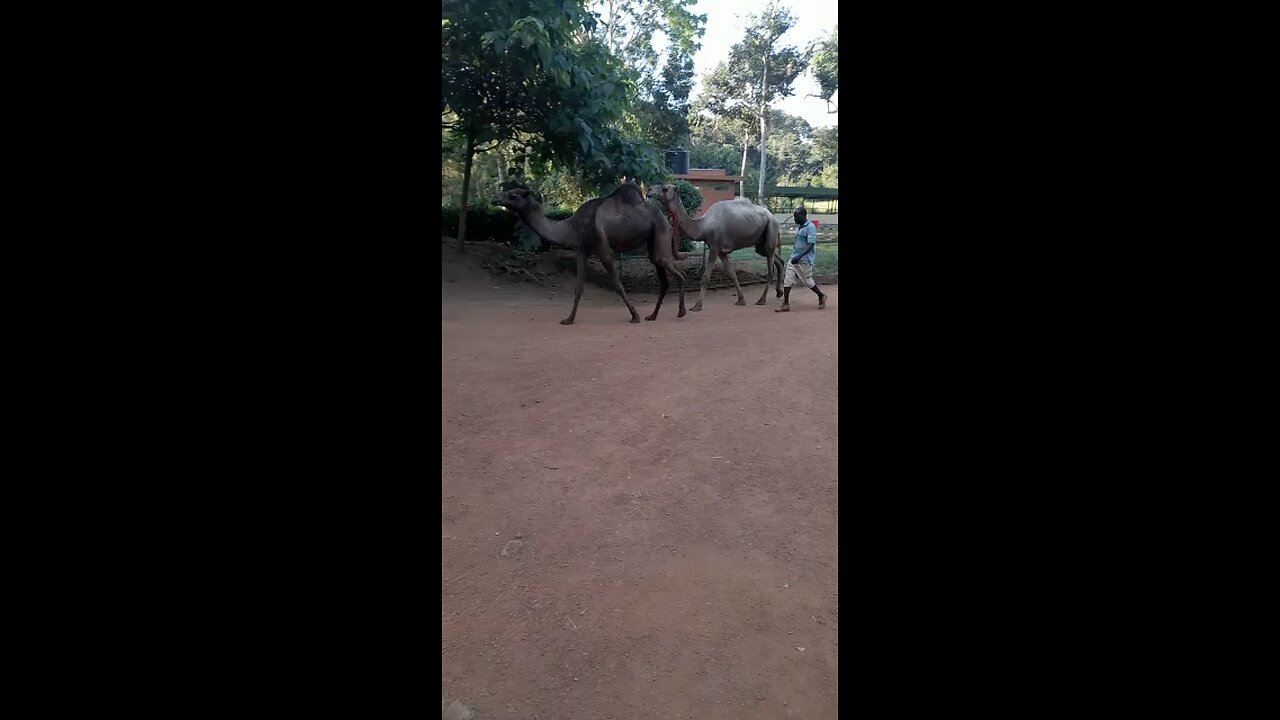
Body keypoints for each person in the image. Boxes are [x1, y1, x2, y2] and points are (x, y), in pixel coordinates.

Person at [776, 207, 827, 312]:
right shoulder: (799, 227)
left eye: (797, 216)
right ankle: (785, 304)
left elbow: (810, 244)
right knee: (787, 280)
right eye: (794, 216)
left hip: (805, 260)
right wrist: (795, 256)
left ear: (804, 216)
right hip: (794, 259)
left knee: (808, 282)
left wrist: (799, 256)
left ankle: (821, 296)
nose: (794, 218)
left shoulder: (810, 227)